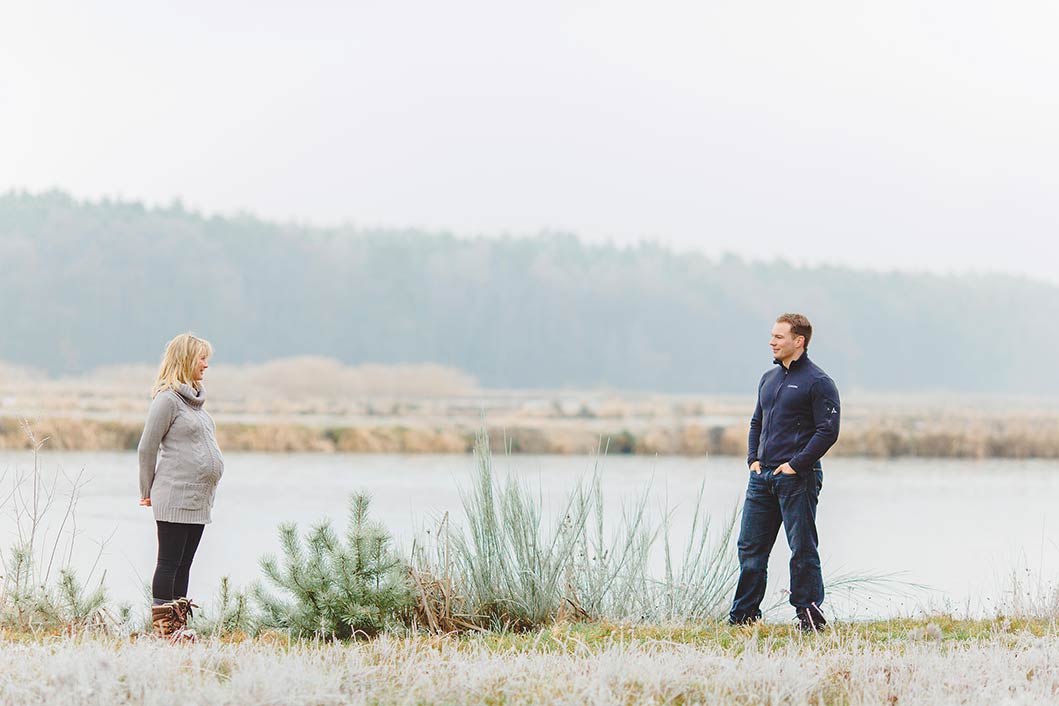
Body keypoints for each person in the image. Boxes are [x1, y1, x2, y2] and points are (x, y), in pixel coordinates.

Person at [729, 313, 840, 632]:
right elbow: (756, 422)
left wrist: (795, 465)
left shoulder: (818, 382)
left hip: (797, 480)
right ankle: (743, 617)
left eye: (779, 337)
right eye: (772, 336)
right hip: (761, 479)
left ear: (798, 341)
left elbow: (828, 430)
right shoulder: (768, 379)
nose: (772, 341)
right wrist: (753, 459)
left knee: (801, 548)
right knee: (750, 549)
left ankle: (809, 617)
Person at [138, 333, 224, 640]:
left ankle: (179, 630)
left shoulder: (196, 405)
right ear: (186, 360)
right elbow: (147, 448)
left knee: (184, 565)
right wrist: (145, 491)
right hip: (174, 494)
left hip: (199, 500)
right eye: (202, 358)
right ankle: (165, 631)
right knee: (169, 562)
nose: (206, 365)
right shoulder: (167, 400)